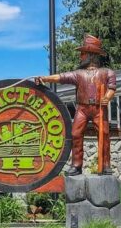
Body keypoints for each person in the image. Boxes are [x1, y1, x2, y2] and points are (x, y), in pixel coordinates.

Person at [36, 34, 116, 175]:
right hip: (82, 108)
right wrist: (45, 78)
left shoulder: (107, 72)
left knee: (104, 134)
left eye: (83, 54)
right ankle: (76, 165)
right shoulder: (78, 74)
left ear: (90, 55)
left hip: (99, 109)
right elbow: (61, 77)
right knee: (75, 134)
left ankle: (105, 165)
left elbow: (112, 87)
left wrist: (107, 97)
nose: (81, 57)